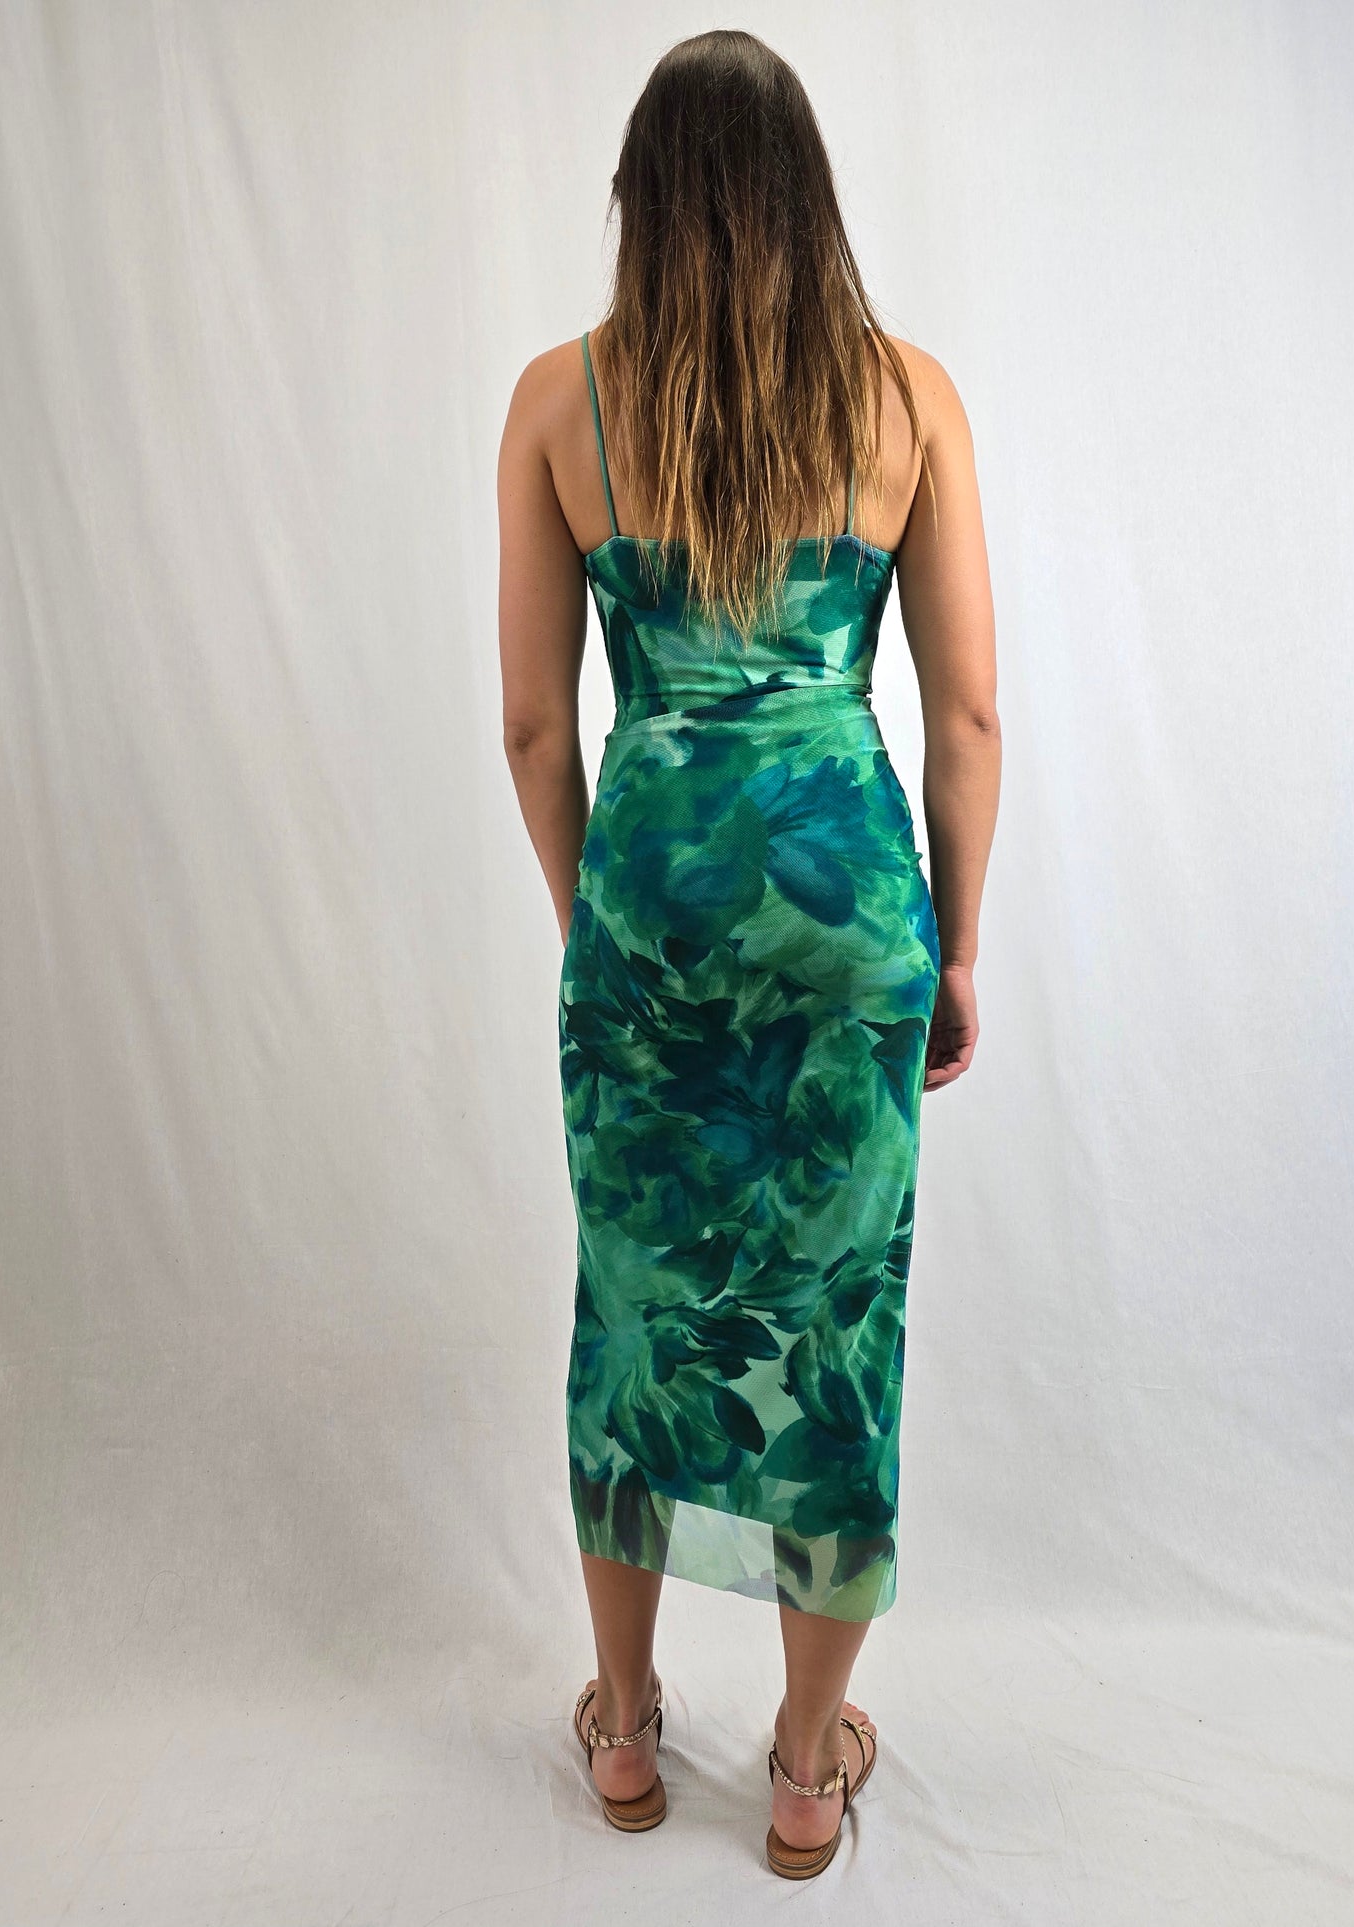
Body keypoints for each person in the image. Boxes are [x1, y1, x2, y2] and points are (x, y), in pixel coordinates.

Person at [497, 27, 999, 1879]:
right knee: (835, 1328)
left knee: (634, 1312)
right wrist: (954, 946)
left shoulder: (560, 401)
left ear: (640, 202)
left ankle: (628, 1737)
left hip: (653, 900)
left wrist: (601, 931)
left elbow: (533, 732)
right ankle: (800, 1770)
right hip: (847, 905)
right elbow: (966, 720)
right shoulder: (906, 397)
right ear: (808, 199)